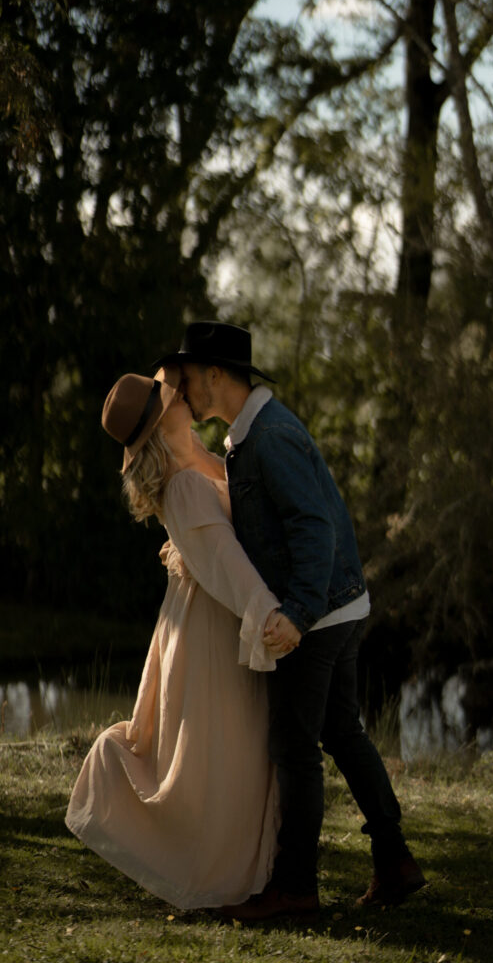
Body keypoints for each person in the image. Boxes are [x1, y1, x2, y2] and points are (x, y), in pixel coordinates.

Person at [153, 321, 425, 922]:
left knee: (294, 749)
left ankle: (296, 888)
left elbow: (313, 527)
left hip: (318, 614)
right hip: (339, 605)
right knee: (343, 732)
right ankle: (394, 859)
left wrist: (297, 614)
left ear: (215, 375)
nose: (184, 390)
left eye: (189, 377)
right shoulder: (248, 435)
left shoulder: (270, 436)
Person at [65, 365, 285, 910]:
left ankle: (253, 864)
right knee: (221, 743)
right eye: (170, 399)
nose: (183, 396)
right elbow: (224, 560)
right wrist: (270, 614)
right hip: (209, 623)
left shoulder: (203, 458)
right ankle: (214, 868)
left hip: (212, 611)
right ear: (163, 423)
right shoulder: (184, 485)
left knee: (236, 741)